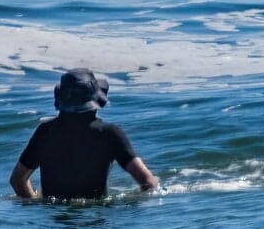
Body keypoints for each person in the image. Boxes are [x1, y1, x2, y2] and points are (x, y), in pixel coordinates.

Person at [9, 69, 158, 202]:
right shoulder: (109, 133)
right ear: (97, 100)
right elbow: (148, 182)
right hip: (96, 217)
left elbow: (17, 180)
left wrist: (33, 200)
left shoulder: (45, 132)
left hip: (55, 220)